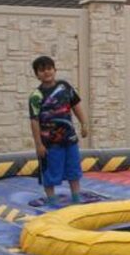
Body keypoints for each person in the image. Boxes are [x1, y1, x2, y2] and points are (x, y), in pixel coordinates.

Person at [28, 55, 89, 206]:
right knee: (50, 172)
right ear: (37, 75)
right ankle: (52, 200)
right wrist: (38, 144)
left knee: (73, 169)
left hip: (69, 138)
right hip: (49, 143)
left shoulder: (65, 87)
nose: (46, 72)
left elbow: (76, 106)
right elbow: (34, 120)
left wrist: (84, 123)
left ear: (55, 70)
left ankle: (76, 198)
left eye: (49, 68)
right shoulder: (36, 96)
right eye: (42, 70)